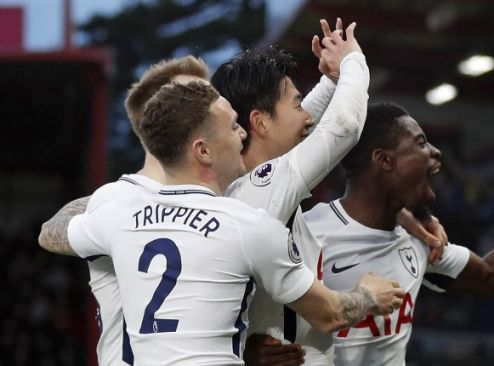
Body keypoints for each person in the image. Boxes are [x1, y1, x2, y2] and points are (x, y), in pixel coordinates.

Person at [41, 81, 406, 365]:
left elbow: (50, 233)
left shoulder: (121, 214)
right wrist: (369, 295)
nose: (243, 134)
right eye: (233, 127)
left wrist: (104, 197)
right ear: (203, 151)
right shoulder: (248, 226)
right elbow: (330, 314)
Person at [211, 20, 447, 366]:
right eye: (296, 105)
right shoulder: (270, 185)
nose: (307, 118)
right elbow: (345, 126)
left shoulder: (240, 185)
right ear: (260, 123)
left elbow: (302, 122)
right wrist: (354, 61)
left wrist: (332, 81)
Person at [302, 101, 494, 365]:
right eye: (420, 143)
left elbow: (492, 275)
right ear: (384, 160)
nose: (436, 152)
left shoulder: (419, 241)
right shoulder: (309, 233)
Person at [38, 55, 213, 366]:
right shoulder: (118, 200)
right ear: (158, 118)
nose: (210, 105)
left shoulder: (221, 205)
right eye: (192, 97)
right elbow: (49, 231)